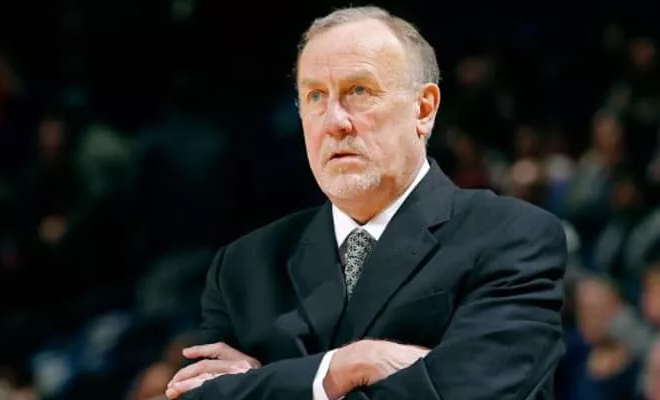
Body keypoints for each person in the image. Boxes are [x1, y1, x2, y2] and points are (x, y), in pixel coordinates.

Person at [165, 6, 568, 400]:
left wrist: (263, 383)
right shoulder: (243, 266)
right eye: (315, 96)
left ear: (424, 109)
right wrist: (347, 366)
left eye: (359, 91)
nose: (334, 122)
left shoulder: (512, 236)